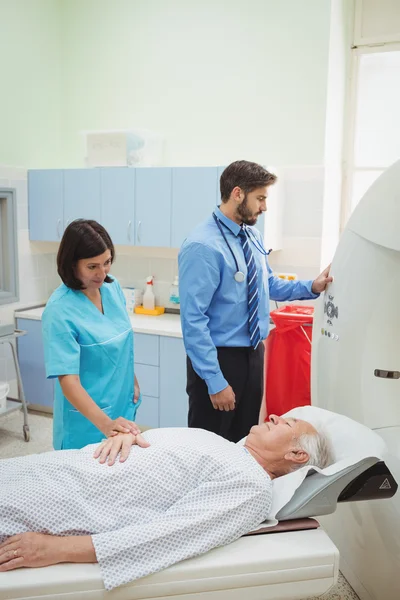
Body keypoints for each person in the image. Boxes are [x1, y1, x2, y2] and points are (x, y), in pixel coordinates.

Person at [0, 415, 333, 590]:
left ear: (296, 455)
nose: (274, 415)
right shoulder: (228, 448)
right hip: (64, 468)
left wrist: (55, 550)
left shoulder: (252, 486)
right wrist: (129, 435)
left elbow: (168, 535)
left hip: (63, 502)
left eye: (286, 423)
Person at [178, 160, 332, 443]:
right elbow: (193, 321)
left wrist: (312, 286)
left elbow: (266, 284)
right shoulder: (202, 246)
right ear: (238, 193)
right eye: (260, 198)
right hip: (219, 358)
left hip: (253, 354)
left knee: (245, 442)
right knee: (209, 446)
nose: (264, 207)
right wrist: (214, 380)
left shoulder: (252, 236)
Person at [42, 219, 142, 450]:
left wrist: (132, 380)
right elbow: (68, 381)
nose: (102, 273)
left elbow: (119, 342)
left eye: (107, 262)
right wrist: (106, 425)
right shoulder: (59, 310)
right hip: (88, 419)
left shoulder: (112, 287)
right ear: (72, 264)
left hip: (121, 404)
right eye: (92, 266)